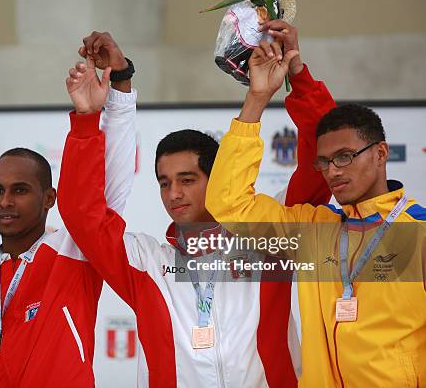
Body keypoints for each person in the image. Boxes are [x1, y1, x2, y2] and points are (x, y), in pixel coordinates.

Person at [57, 21, 334, 387]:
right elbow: (83, 214)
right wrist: (88, 119)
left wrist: (297, 75)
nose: (174, 194)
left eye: (188, 180)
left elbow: (321, 160)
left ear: (217, 178)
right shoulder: (147, 263)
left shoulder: (266, 235)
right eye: (165, 183)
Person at [204, 37, 426, 386]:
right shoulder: (313, 229)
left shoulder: (420, 232)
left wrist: (301, 76)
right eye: (324, 162)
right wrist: (258, 97)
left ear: (381, 153)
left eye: (345, 157)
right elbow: (228, 203)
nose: (333, 171)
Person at [0, 31, 137, 387]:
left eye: (20, 190)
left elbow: (108, 186)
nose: (5, 202)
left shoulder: (74, 252)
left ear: (49, 198)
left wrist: (117, 90)